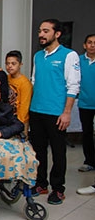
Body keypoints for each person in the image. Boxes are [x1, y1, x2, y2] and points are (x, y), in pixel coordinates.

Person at [29, 19, 80, 205]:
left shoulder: (69, 55)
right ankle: (41, 183)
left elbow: (73, 86)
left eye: (45, 31)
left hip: (56, 113)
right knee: (38, 151)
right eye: (40, 31)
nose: (41, 34)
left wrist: (67, 112)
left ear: (57, 34)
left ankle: (58, 188)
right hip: (36, 110)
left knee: (58, 152)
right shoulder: (38, 56)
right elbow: (34, 82)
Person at [5, 50, 32, 137]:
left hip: (20, 121)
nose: (10, 66)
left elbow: (24, 106)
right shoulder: (6, 78)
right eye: (7, 63)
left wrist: (18, 124)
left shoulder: (25, 83)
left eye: (13, 63)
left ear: (20, 64)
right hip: (7, 118)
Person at [78, 34, 95, 174]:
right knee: (87, 133)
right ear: (85, 45)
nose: (92, 45)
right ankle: (89, 161)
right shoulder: (78, 61)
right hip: (85, 103)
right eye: (90, 42)